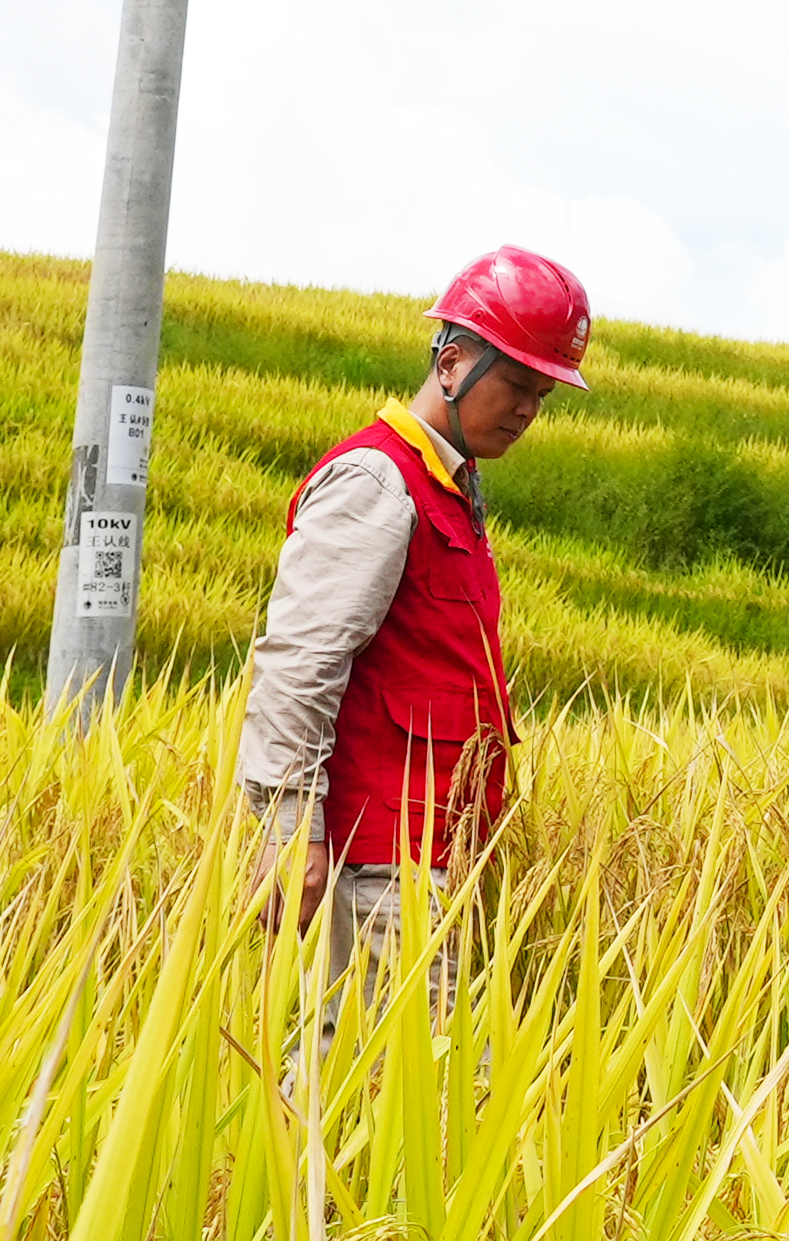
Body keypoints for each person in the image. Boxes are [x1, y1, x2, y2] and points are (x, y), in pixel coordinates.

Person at [238, 245, 593, 1008]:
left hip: (429, 866)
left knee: (413, 1108)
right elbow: (299, 663)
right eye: (519, 384)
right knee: (366, 1101)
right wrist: (290, 828)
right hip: (375, 873)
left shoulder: (451, 487)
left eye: (546, 393)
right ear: (452, 361)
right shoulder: (377, 480)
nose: (530, 409)